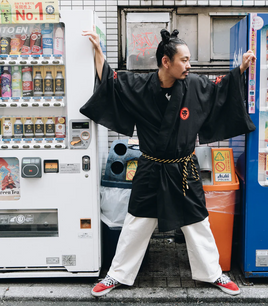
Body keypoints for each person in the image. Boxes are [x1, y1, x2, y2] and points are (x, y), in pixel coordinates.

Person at [80, 27, 256, 297]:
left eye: (189, 60)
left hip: (184, 167)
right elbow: (111, 81)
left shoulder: (195, 85)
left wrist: (240, 69)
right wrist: (98, 51)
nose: (189, 65)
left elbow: (220, 88)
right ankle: (117, 274)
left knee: (198, 222)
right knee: (137, 221)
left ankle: (213, 273)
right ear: (166, 62)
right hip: (151, 166)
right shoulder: (140, 86)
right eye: (184, 60)